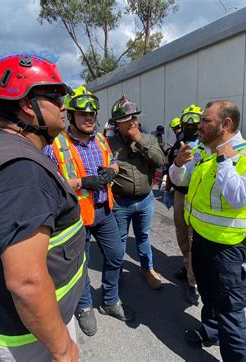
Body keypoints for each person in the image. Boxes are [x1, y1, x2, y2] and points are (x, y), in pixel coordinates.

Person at [0, 54, 86, 361]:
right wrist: (63, 349)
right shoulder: (20, 172)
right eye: (56, 97)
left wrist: (62, 190)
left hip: (39, 323)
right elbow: (27, 283)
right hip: (34, 336)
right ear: (28, 105)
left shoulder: (7, 149)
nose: (64, 106)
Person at [169, 100, 246, 361]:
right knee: (210, 297)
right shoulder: (204, 151)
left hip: (230, 249)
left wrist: (224, 159)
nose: (198, 126)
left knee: (231, 312)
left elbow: (239, 197)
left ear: (226, 124)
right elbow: (181, 181)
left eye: (205, 121)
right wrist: (178, 164)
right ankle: (210, 332)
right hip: (202, 240)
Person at [44, 86, 134, 337]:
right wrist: (83, 183)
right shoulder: (55, 145)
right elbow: (50, 184)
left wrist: (111, 172)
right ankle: (84, 307)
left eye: (92, 114)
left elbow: (114, 163)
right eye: (83, 114)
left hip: (104, 212)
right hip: (75, 217)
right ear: (70, 116)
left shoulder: (101, 139)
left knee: (116, 256)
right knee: (80, 266)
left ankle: (110, 300)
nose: (89, 118)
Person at [108, 96, 165, 289]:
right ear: (117, 123)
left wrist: (138, 139)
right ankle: (117, 270)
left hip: (145, 200)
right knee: (120, 239)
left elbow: (159, 161)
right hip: (120, 202)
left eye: (135, 117)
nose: (133, 121)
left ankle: (147, 269)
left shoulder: (148, 139)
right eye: (127, 119)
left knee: (143, 236)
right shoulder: (109, 144)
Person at [165, 105, 203, 305]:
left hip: (198, 198)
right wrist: (167, 191)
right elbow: (170, 168)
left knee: (194, 239)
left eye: (195, 124)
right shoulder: (178, 145)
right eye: (187, 124)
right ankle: (186, 264)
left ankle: (193, 283)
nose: (191, 127)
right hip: (180, 195)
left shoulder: (207, 146)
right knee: (182, 235)